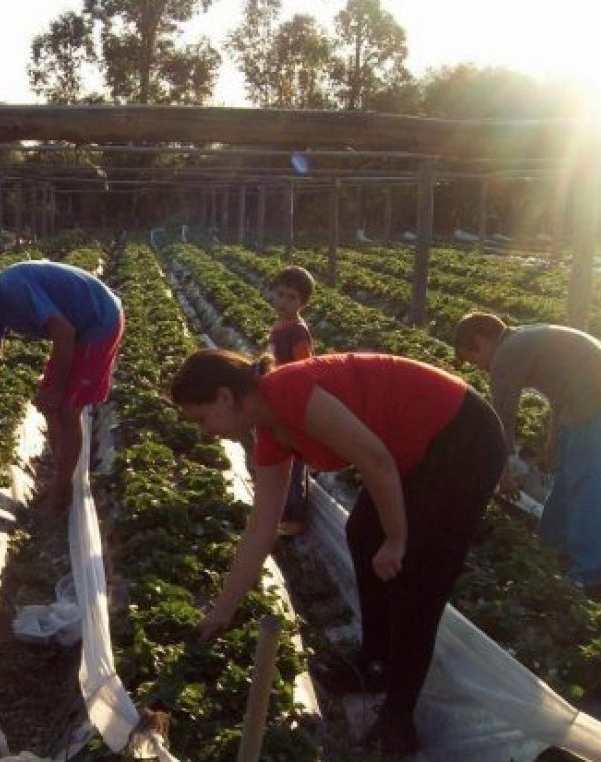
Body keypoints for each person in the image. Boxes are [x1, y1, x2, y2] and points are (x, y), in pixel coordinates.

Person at [170, 349, 504, 755]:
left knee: (419, 575)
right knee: (363, 533)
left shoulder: (287, 390)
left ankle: (399, 717)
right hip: (414, 448)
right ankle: (374, 662)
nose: (204, 432)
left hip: (462, 436)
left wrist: (398, 538)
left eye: (201, 418)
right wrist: (221, 612)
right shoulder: (270, 430)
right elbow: (261, 529)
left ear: (224, 397)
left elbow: (375, 459)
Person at [452, 312, 601, 596]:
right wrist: (552, 441)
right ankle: (552, 544)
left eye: (472, 358)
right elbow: (557, 393)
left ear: (480, 342)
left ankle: (591, 575)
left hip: (593, 390)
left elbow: (501, 419)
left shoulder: (506, 354)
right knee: (567, 475)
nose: (478, 367)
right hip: (594, 381)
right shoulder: (521, 340)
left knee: (587, 480)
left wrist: (502, 475)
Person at [0, 261, 123, 509]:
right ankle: (62, 476)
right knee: (49, 406)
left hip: (98, 321)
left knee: (69, 409)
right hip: (72, 331)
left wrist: (57, 389)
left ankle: (62, 489)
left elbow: (65, 333)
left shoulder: (15, 289)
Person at [267, 266, 315, 535]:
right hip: (278, 403)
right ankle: (282, 511)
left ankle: (294, 518)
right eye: (281, 294)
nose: (284, 302)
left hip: (293, 406)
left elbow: (304, 369)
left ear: (303, 303)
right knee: (282, 457)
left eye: (292, 298)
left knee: (295, 462)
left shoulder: (297, 332)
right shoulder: (279, 327)